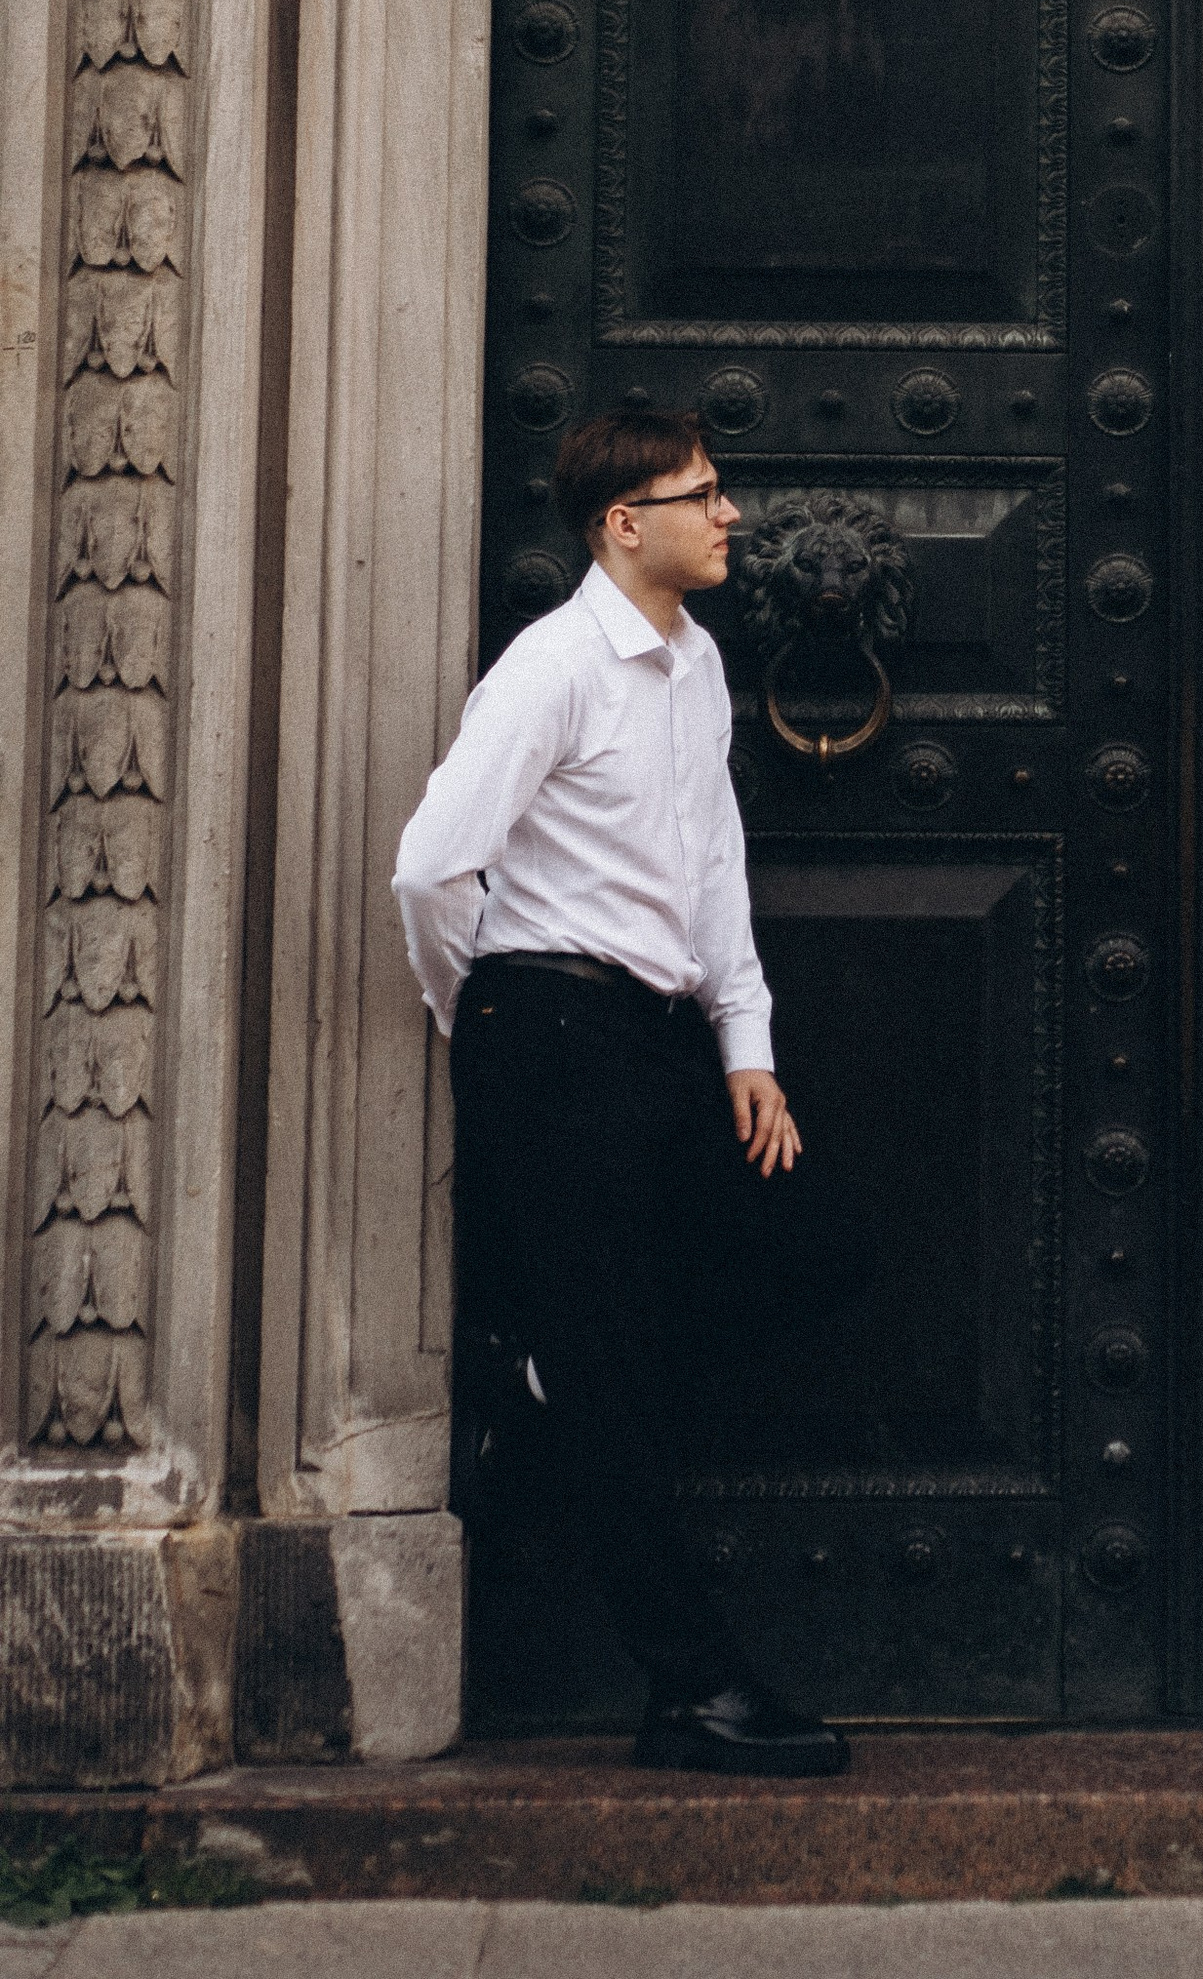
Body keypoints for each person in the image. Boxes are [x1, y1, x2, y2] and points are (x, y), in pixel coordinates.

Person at [393, 405, 849, 1776]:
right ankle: (693, 1690)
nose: (730, 516)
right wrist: (477, 1015)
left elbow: (712, 872)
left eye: (722, 489)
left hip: (658, 1040)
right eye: (702, 494)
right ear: (622, 526)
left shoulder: (695, 667)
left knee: (819, 1253)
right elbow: (432, 867)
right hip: (548, 1027)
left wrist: (746, 1047)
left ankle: (540, 1384)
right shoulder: (553, 669)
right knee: (615, 1362)